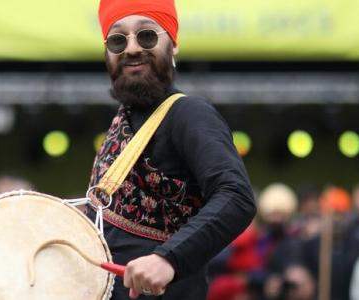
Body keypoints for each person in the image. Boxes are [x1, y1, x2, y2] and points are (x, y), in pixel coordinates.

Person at [89, 0, 256, 298]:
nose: (131, 49)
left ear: (173, 44)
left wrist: (168, 258)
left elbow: (237, 196)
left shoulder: (189, 113)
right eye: (117, 40)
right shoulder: (121, 118)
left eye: (147, 36)